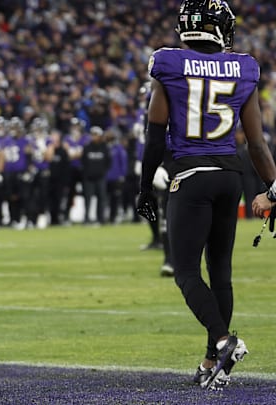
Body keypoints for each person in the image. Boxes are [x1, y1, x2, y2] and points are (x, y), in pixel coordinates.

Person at [136, 0, 276, 390]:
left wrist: (145, 186)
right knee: (221, 274)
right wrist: (274, 188)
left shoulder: (169, 63)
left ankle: (223, 340)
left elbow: (155, 134)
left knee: (184, 271)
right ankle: (211, 361)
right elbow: (257, 144)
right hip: (229, 176)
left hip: (192, 175)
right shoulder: (243, 68)